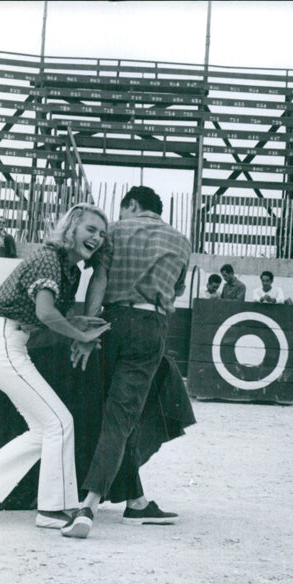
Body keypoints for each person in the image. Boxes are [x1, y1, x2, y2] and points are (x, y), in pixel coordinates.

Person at [0, 203, 112, 529]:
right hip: (4, 342)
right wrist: (79, 334)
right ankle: (53, 510)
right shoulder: (50, 259)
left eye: (102, 234)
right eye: (91, 229)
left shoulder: (65, 265)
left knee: (46, 429)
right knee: (60, 422)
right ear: (72, 229)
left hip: (7, 343)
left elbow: (46, 315)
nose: (97, 238)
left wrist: (75, 323)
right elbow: (44, 314)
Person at [63, 185, 192, 539]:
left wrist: (88, 331)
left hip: (111, 324)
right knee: (122, 414)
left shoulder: (115, 231)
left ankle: (135, 501)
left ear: (131, 205)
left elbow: (99, 280)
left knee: (118, 414)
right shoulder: (182, 241)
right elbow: (176, 294)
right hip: (151, 327)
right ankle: (89, 504)